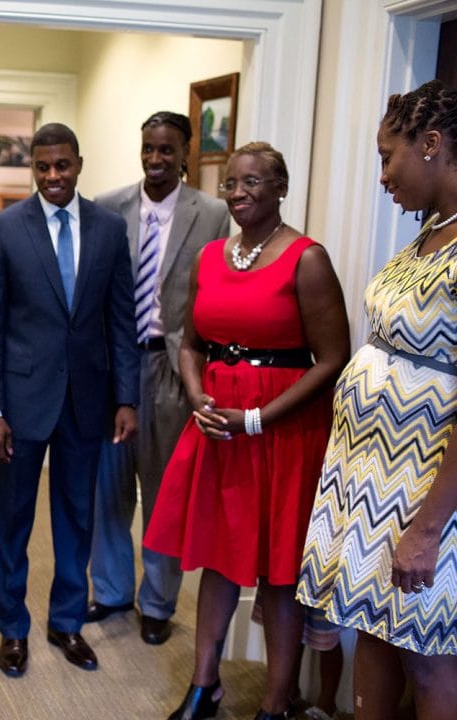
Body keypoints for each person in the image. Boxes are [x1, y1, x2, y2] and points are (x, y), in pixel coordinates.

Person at [143, 141, 350, 720]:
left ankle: (276, 701)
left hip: (281, 428)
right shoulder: (210, 257)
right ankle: (203, 685)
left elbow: (333, 358)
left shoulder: (307, 258)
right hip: (217, 426)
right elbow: (190, 344)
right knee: (218, 557)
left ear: (281, 187)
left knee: (277, 570)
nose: (237, 193)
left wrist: (258, 418)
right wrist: (196, 395)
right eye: (231, 183)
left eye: (252, 182)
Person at [297, 79, 457, 720]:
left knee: (427, 653)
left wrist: (426, 530)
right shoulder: (429, 232)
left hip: (426, 492)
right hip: (369, 483)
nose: (383, 175)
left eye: (388, 156)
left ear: (433, 144)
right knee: (371, 624)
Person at [0, 122, 139, 677]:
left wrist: (127, 398)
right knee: (12, 519)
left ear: (78, 164)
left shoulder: (111, 229)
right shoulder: (2, 229)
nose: (52, 177)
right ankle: (12, 628)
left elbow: (122, 321)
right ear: (33, 169)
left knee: (77, 516)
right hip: (20, 403)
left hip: (88, 400)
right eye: (41, 168)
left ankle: (66, 621)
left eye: (61, 166)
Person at [88, 111, 230, 645]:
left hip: (174, 366)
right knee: (110, 487)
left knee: (166, 490)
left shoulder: (213, 212)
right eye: (148, 148)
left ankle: (157, 602)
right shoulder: (107, 206)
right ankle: (112, 591)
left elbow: (214, 290)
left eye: (166, 150)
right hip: (113, 369)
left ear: (185, 153)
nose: (155, 159)